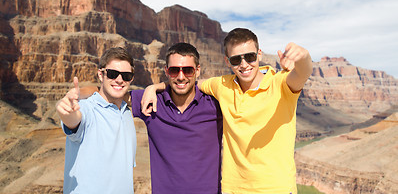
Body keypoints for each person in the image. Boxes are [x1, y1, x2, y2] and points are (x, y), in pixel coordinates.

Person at [142, 28, 313, 194]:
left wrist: (303, 57)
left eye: (250, 57)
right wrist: (154, 87)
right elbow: (185, 82)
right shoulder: (222, 85)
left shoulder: (280, 83)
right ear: (227, 61)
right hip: (233, 189)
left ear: (259, 54)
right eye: (236, 60)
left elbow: (302, 74)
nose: (244, 64)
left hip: (276, 189)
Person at [78, 43, 223, 194]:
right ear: (166, 71)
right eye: (174, 70)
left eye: (188, 70)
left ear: (197, 71)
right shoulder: (152, 102)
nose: (181, 76)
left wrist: (155, 86)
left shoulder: (215, 104)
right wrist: (75, 93)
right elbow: (108, 92)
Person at [56, 47, 137, 194]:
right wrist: (67, 112)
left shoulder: (126, 113)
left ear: (131, 78)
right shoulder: (87, 109)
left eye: (126, 75)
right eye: (112, 74)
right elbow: (75, 121)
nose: (119, 80)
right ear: (101, 74)